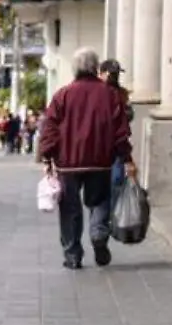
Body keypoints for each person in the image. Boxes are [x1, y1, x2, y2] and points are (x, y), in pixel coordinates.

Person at [40, 48, 136, 269]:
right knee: (100, 201)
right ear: (95, 68)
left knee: (70, 210)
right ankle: (98, 233)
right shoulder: (110, 95)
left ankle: (73, 255)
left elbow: (50, 129)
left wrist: (47, 158)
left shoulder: (62, 95)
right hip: (100, 161)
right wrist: (127, 158)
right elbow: (120, 132)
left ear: (75, 68)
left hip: (68, 163)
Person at [100, 60, 133, 184]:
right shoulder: (97, 92)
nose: (114, 77)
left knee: (116, 181)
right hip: (99, 148)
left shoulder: (121, 93)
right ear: (102, 74)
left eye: (116, 74)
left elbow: (127, 118)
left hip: (116, 148)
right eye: (111, 74)